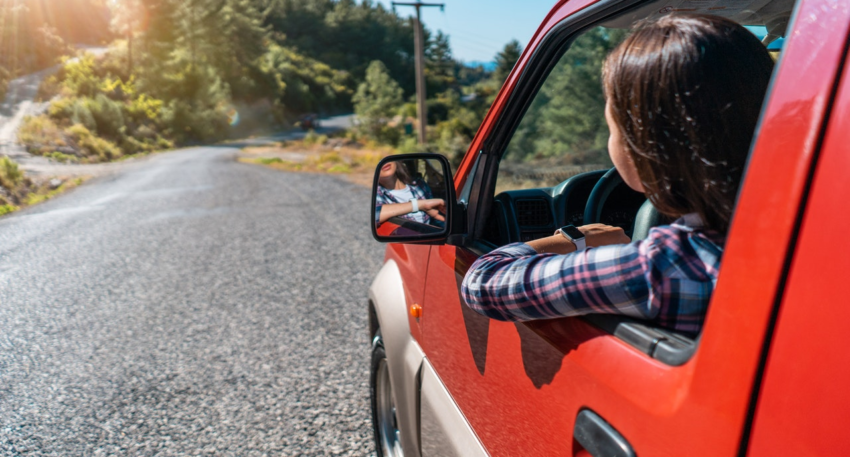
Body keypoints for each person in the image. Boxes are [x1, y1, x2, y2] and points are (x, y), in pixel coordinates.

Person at [461, 14, 774, 336]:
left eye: (613, 128)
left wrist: (574, 238)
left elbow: (482, 282)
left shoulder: (659, 268)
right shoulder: (811, 234)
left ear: (646, 148)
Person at [374, 161, 446, 227]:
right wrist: (420, 205)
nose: (383, 161)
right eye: (376, 159)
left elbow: (435, 218)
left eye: (385, 156)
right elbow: (374, 215)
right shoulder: (376, 194)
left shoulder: (419, 185)